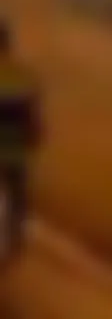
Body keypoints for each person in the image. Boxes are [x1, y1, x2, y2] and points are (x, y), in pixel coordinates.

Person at [0, 20, 39, 254]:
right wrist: (33, 136)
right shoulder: (22, 75)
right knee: (17, 193)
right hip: (15, 148)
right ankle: (17, 235)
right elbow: (31, 116)